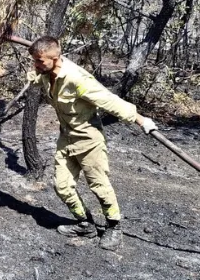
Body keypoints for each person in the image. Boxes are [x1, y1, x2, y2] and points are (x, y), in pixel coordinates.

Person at [27, 36, 158, 250]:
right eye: (35, 60)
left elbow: (108, 100)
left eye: (39, 61)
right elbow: (36, 78)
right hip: (67, 138)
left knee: (99, 186)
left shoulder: (77, 79)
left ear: (55, 57)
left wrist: (141, 120)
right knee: (62, 186)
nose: (36, 65)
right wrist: (36, 71)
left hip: (89, 141)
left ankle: (114, 228)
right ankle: (85, 224)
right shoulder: (46, 72)